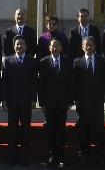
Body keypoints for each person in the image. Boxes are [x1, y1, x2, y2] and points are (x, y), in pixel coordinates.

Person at [2, 35, 37, 164]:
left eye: (22, 44)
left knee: (26, 130)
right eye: (17, 44)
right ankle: (12, 157)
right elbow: (4, 82)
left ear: (26, 46)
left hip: (26, 101)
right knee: (12, 130)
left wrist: (34, 99)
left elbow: (34, 82)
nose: (19, 46)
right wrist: (4, 99)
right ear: (14, 46)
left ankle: (25, 158)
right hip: (11, 101)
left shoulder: (31, 61)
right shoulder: (8, 61)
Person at [37, 38, 72, 168]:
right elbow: (41, 84)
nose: (55, 48)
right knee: (51, 130)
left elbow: (70, 82)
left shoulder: (68, 61)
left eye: (57, 46)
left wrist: (70, 100)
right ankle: (52, 156)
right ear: (49, 48)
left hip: (63, 102)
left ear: (61, 48)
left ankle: (62, 156)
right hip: (49, 103)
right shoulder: (43, 62)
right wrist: (42, 102)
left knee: (61, 130)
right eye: (53, 46)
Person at [73, 36, 105, 165]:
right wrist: (75, 99)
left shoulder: (102, 61)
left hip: (97, 102)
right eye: (86, 45)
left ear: (95, 47)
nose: (88, 47)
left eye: (91, 45)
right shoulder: (77, 62)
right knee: (84, 131)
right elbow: (74, 83)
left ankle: (101, 156)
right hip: (82, 103)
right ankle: (84, 155)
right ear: (82, 47)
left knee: (99, 130)